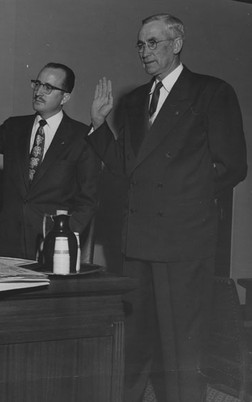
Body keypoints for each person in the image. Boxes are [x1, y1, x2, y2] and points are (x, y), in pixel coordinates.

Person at [88, 13, 247, 402]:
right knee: (133, 346)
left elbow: (233, 165)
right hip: (138, 241)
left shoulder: (212, 91)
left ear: (177, 44)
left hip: (182, 240)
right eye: (141, 44)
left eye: (154, 42)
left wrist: (179, 196)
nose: (145, 52)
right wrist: (98, 125)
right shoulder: (137, 100)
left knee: (180, 351)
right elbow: (128, 166)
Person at [0, 62, 100, 260]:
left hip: (54, 246)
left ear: (65, 97)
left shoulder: (82, 137)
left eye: (48, 87)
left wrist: (65, 236)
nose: (39, 91)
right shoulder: (15, 128)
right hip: (8, 244)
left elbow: (88, 201)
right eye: (37, 84)